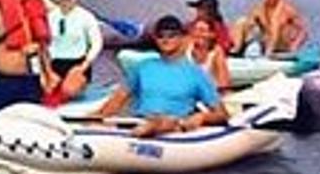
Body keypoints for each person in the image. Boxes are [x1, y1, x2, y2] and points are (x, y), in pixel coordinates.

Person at [96, 14, 228, 138]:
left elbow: (221, 114)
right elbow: (117, 99)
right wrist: (96, 120)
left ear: (182, 38)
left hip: (174, 127)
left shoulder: (196, 73)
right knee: (143, 122)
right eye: (160, 36)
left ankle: (153, 127)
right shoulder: (143, 67)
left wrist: (202, 117)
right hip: (140, 121)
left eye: (171, 35)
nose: (165, 39)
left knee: (167, 121)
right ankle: (146, 129)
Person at [44, 0, 105, 100]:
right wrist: (47, 70)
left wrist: (84, 65)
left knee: (69, 91)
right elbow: (43, 44)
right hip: (54, 63)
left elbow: (96, 43)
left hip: (77, 64)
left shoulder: (86, 17)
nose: (67, 0)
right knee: (46, 91)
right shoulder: (50, 17)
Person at [233, 0, 310, 55]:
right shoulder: (259, 9)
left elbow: (303, 31)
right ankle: (235, 50)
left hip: (281, 47)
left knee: (276, 22)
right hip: (265, 43)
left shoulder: (287, 10)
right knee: (241, 22)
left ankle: (268, 53)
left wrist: (295, 45)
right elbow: (249, 24)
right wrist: (250, 27)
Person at [187, 14, 235, 92]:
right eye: (195, 30)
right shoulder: (186, 47)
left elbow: (224, 83)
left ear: (211, 34)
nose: (198, 34)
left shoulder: (216, 53)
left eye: (202, 30)